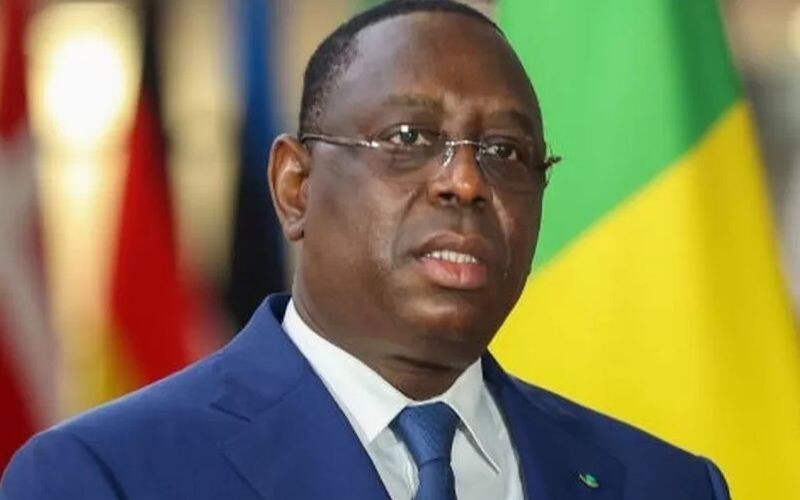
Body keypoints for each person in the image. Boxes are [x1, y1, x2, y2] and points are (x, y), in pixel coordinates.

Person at [1, 1, 730, 499]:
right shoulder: (105, 476)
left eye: (507, 151)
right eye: (409, 138)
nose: (466, 181)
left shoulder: (665, 484)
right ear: (295, 186)